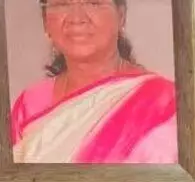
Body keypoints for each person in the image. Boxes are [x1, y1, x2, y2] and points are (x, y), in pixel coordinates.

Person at [10, 0, 178, 164]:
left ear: (121, 16)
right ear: (45, 22)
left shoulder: (166, 103)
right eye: (62, 4)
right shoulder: (29, 106)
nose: (76, 18)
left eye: (93, 3)